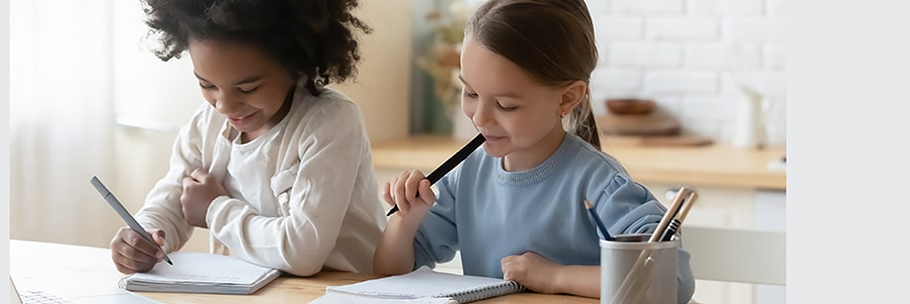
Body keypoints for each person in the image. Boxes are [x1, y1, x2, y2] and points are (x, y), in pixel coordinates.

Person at [372, 0, 695, 302]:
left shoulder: (601, 185)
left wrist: (556, 277)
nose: (480, 117)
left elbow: (672, 281)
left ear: (567, 98)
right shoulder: (466, 175)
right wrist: (405, 220)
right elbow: (391, 272)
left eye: (505, 105)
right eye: (469, 92)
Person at [109, 0, 386, 277]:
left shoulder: (331, 122)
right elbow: (173, 202)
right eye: (207, 85)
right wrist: (143, 236)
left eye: (247, 88)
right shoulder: (207, 123)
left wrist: (213, 209)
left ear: (295, 66)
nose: (224, 106)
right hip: (251, 290)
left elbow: (303, 251)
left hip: (343, 289)